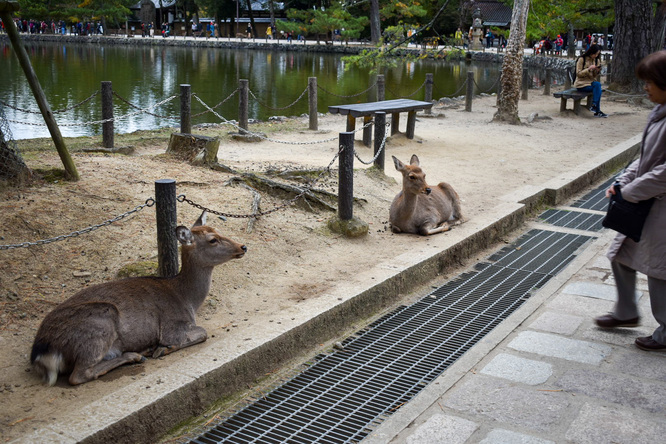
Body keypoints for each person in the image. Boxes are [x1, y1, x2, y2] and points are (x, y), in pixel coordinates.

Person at [594, 50, 666, 351]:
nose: (645, 88)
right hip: (646, 201)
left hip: (659, 205)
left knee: (660, 270)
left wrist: (631, 190)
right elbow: (645, 158)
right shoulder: (658, 113)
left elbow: (663, 172)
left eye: (650, 82)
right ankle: (626, 311)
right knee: (621, 253)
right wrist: (622, 181)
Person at [574, 44, 607, 117]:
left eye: (597, 54)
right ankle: (596, 109)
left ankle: (594, 105)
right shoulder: (582, 59)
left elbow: (594, 76)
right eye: (595, 54)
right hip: (581, 84)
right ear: (591, 52)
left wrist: (597, 71)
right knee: (598, 88)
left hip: (591, 83)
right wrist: (588, 69)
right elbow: (578, 74)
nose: (596, 56)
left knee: (598, 85)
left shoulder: (596, 60)